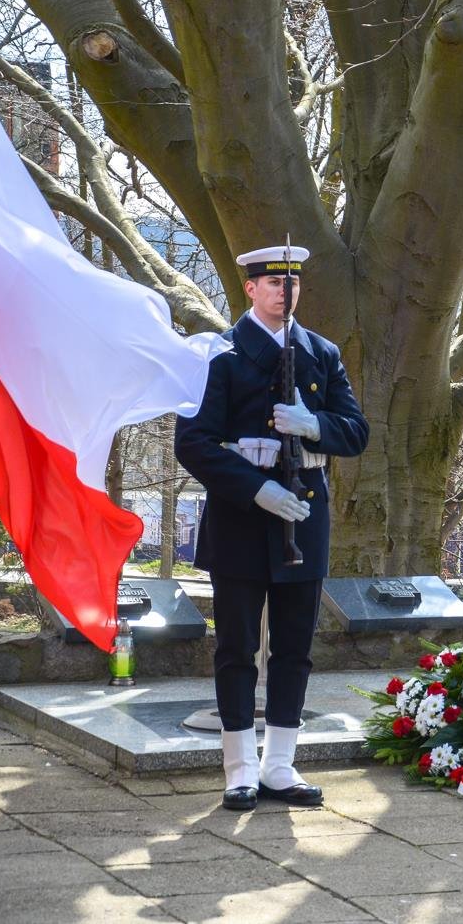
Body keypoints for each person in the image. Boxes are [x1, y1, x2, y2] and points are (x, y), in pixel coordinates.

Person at [176, 245, 369, 809]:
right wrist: (257, 486)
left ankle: (279, 765)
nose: (286, 290)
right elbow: (193, 443)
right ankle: (238, 768)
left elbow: (356, 432)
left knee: (294, 649)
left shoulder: (322, 353)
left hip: (304, 518)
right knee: (236, 649)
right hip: (241, 518)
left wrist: (315, 426)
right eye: (273, 281)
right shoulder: (222, 355)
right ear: (251, 290)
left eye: (293, 282)